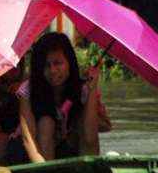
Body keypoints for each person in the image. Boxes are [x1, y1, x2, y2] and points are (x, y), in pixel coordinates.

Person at [18, 32, 112, 163]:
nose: (53, 71)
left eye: (58, 63)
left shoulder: (83, 88)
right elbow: (28, 140)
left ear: (70, 63)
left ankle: (87, 172)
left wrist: (92, 90)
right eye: (46, 66)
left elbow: (92, 135)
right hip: (36, 155)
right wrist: (43, 172)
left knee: (81, 121)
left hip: (71, 146)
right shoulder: (28, 90)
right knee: (46, 123)